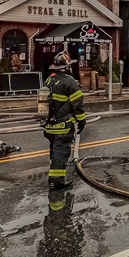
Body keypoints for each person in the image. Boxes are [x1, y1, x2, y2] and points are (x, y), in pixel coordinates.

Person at [43, 51, 87, 190]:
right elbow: (78, 105)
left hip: (49, 125)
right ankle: (56, 181)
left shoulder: (49, 79)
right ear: (67, 67)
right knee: (61, 152)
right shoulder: (69, 82)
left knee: (54, 150)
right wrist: (82, 121)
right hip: (62, 125)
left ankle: (55, 176)